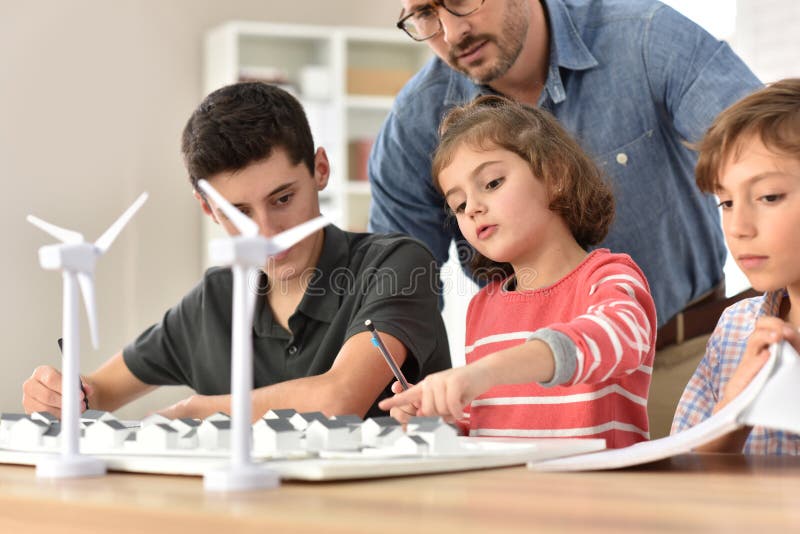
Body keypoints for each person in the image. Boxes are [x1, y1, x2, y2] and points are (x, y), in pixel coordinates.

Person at [369, 0, 762, 436]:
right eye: (424, 14)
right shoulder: (483, 308)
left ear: (555, 179)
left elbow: (769, 160)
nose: (449, 32)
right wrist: (437, 410)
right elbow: (397, 288)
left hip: (684, 358)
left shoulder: (647, 35)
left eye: (460, 0)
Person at [22, 82, 451, 420]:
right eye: (238, 212)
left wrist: (197, 411)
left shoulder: (397, 264)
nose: (265, 231)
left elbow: (338, 399)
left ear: (320, 169)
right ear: (208, 208)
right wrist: (60, 396)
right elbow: (97, 393)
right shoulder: (215, 300)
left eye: (283, 199)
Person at [380, 95, 657, 448]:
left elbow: (616, 338)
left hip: (596, 500)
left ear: (555, 175)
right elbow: (481, 426)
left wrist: (483, 372)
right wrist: (436, 421)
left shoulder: (609, 278)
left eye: (492, 183)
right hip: (506, 500)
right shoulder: (482, 309)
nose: (474, 209)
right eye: (459, 205)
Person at [671, 79, 800, 453]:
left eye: (768, 196)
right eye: (725, 203)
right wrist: (732, 412)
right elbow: (681, 479)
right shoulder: (734, 329)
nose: (738, 228)